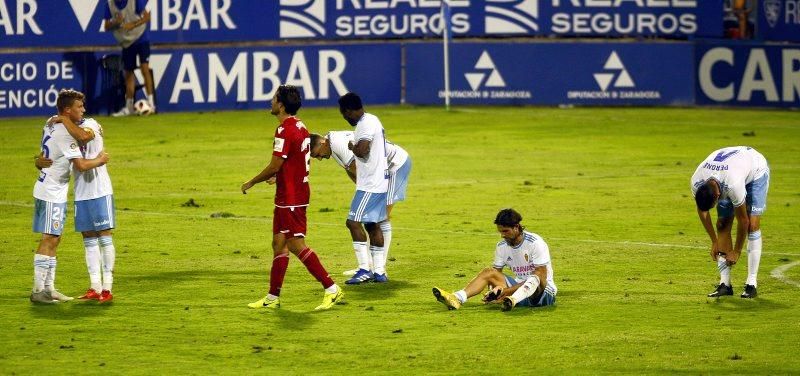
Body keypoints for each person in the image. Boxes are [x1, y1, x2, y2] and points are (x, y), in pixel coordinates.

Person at [241, 84, 343, 310]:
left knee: (296, 244)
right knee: (279, 244)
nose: (271, 101)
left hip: (293, 197)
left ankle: (331, 288)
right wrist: (279, 177)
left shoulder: (285, 130)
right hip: (288, 193)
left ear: (282, 104)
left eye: (274, 98)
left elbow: (275, 164)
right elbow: (296, 160)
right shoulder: (300, 126)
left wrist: (253, 181)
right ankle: (272, 297)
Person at [31, 90, 109, 304]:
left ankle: (49, 288)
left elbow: (47, 151)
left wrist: (38, 160)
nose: (83, 109)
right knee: (49, 239)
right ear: (66, 111)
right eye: (79, 107)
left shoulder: (51, 121)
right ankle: (39, 291)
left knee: (55, 238)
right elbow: (82, 162)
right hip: (51, 191)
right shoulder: (66, 132)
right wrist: (101, 160)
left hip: (52, 188)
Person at [309, 131, 412, 278]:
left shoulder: (338, 144)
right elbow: (350, 169)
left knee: (380, 218)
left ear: (321, 143)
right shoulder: (331, 145)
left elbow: (361, 171)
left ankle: (379, 269)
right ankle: (370, 267)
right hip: (381, 170)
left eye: (317, 154)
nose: (319, 159)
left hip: (395, 165)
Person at [432, 208, 557, 311]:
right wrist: (495, 291)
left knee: (535, 276)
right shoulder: (501, 246)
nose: (502, 235)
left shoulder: (535, 243)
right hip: (515, 288)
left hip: (542, 293)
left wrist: (506, 291)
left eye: (505, 231)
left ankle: (513, 299)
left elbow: (541, 275)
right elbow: (496, 274)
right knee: (489, 272)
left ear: (516, 227)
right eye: (500, 232)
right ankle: (456, 298)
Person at [691, 146, 769, 299]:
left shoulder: (732, 185)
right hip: (732, 170)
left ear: (718, 195)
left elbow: (743, 220)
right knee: (722, 224)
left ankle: (751, 283)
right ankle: (725, 284)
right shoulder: (696, 181)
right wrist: (714, 241)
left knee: (752, 225)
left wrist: (737, 252)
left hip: (755, 171)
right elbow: (702, 211)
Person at [337, 93, 391, 284]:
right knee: (372, 225)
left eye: (344, 115)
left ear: (349, 111)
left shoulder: (365, 124)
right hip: (379, 182)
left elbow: (362, 150)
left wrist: (352, 146)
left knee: (352, 223)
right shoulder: (373, 119)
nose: (345, 118)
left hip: (370, 185)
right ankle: (379, 272)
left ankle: (364, 269)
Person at [104, 0, 156, 116]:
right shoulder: (109, 4)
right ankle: (129, 108)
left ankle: (151, 104)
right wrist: (116, 22)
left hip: (141, 37)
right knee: (128, 73)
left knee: (144, 68)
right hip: (126, 42)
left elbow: (147, 17)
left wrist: (133, 24)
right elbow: (106, 26)